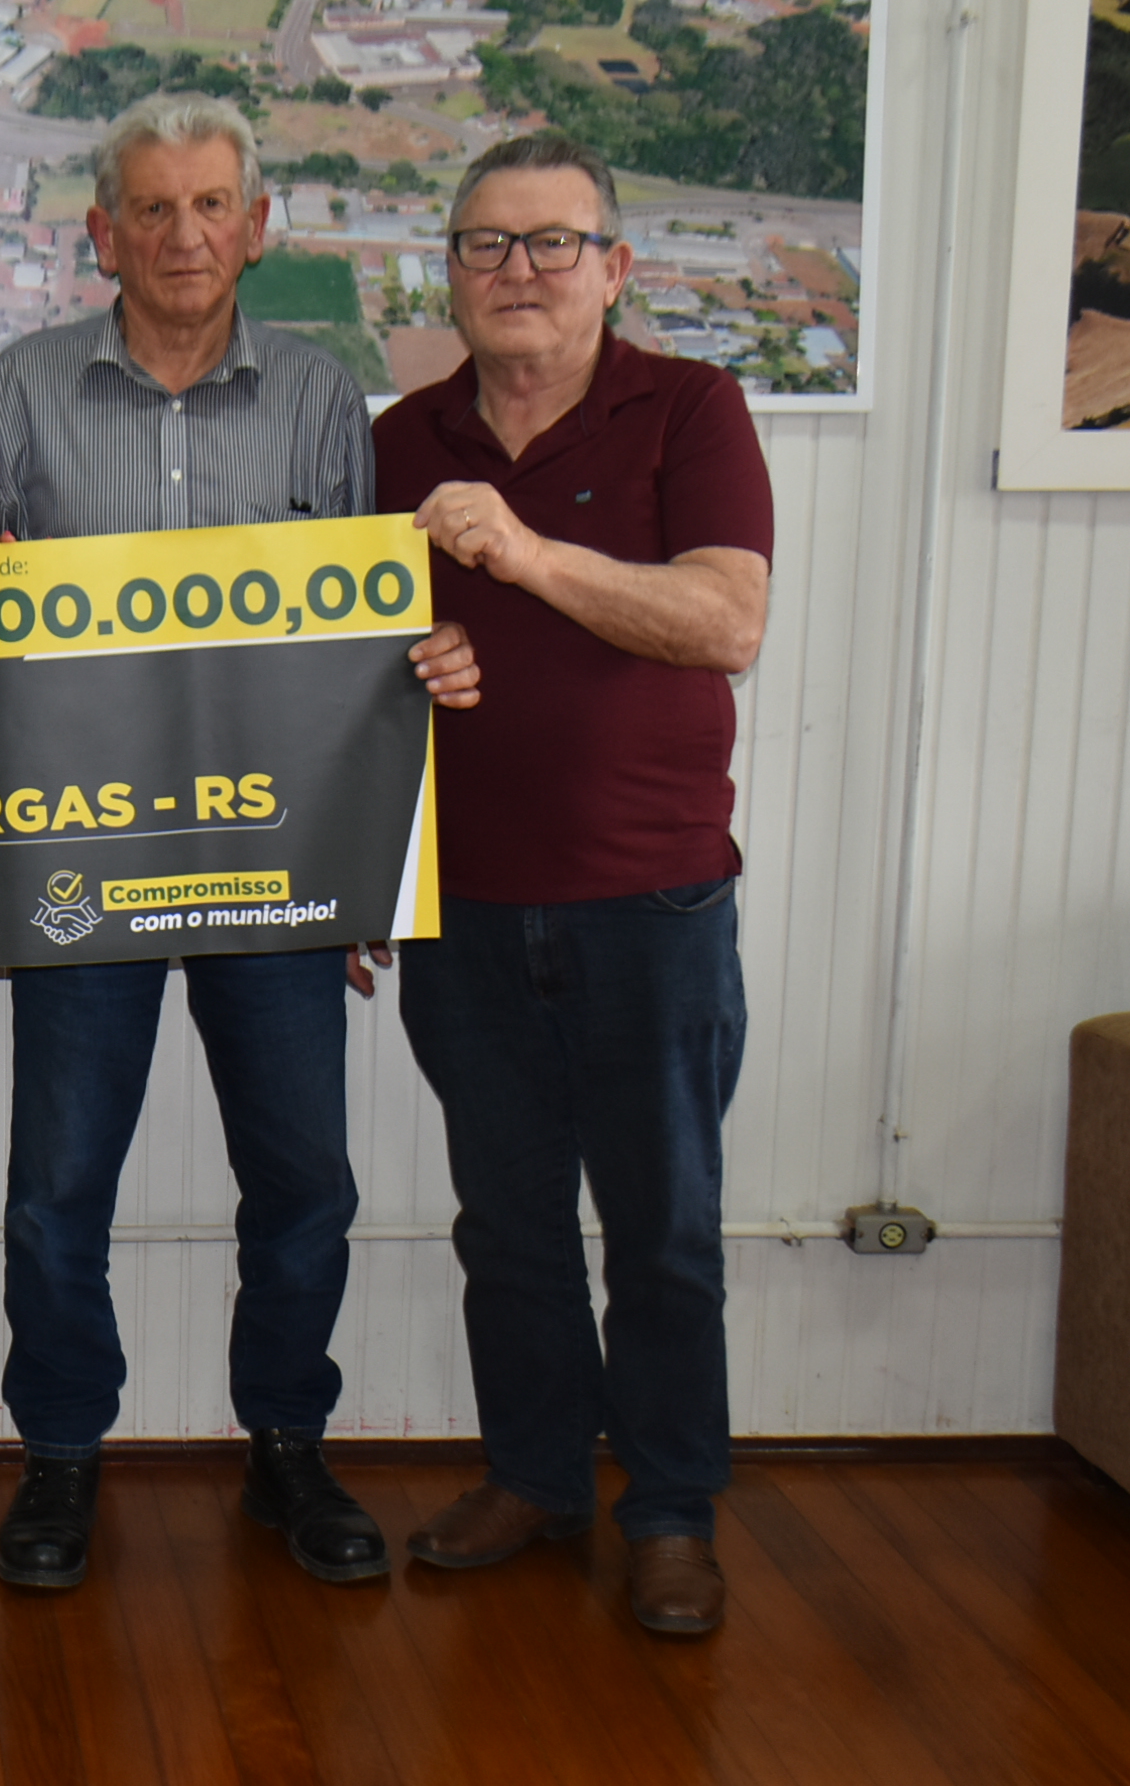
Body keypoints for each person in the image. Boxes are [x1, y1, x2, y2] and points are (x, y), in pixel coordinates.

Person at [0, 92, 480, 1592]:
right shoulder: (21, 390)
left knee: (305, 1179)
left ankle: (288, 1446)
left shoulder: (322, 399)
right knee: (59, 1186)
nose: (182, 235)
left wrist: (365, 870)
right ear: (101, 233)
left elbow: (359, 655)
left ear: (255, 228)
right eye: (152, 208)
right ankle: (63, 1451)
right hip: (80, 866)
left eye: (210, 207)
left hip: (277, 871)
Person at [370, 132, 770, 1637]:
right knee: (509, 1224)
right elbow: (347, 668)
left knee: (663, 1230)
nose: (519, 271)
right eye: (487, 244)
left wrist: (526, 557)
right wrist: (410, 670)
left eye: (553, 243)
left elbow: (725, 623)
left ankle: (670, 1512)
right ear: (450, 273)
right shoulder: (401, 440)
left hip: (651, 900)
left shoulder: (691, 407)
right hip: (463, 907)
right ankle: (536, 1477)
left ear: (616, 268)